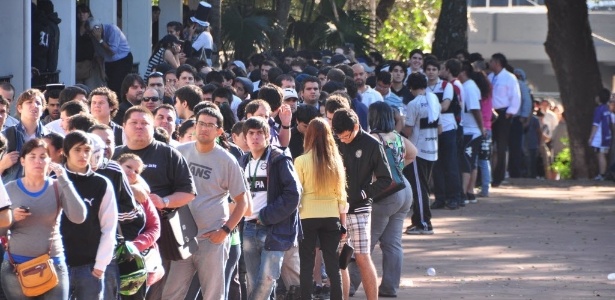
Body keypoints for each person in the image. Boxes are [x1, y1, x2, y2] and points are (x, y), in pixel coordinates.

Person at [164, 108, 249, 299]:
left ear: (219, 131)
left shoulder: (227, 161)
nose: (204, 128)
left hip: (212, 239)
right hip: (182, 238)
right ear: (194, 126)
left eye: (210, 125)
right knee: (171, 293)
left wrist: (225, 231)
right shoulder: (179, 152)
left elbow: (242, 202)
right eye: (201, 123)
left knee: (213, 295)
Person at [113, 106, 196, 300]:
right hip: (118, 238)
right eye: (134, 123)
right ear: (124, 126)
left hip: (160, 235)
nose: (139, 127)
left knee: (155, 294)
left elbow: (189, 193)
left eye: (145, 123)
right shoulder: (114, 156)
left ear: (153, 127)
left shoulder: (168, 154)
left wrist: (164, 201)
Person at [1, 139, 87, 299]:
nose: (38, 161)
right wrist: (12, 218)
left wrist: (64, 179)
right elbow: (1, 230)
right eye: (32, 156)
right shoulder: (9, 189)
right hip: (16, 266)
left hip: (52, 263)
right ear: (22, 161)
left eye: (43, 156)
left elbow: (79, 217)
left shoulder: (58, 186)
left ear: (50, 161)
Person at [237, 117, 302, 300]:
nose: (255, 137)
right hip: (248, 227)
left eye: (259, 133)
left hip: (274, 228)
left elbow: (294, 194)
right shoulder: (242, 162)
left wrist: (266, 216)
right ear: (245, 137)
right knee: (253, 281)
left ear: (267, 136)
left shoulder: (278, 159)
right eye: (251, 133)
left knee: (266, 280)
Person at [331, 108, 392, 300]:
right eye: (339, 137)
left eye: (346, 136)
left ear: (356, 127)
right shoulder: (335, 142)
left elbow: (385, 179)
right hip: (336, 208)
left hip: (360, 209)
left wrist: (363, 194)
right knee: (339, 260)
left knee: (362, 257)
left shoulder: (372, 144)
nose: (343, 140)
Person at [356, 102, 416, 298]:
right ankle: (390, 288)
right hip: (403, 189)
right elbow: (413, 152)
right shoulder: (397, 136)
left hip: (385, 194)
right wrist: (397, 171)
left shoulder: (373, 138)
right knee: (392, 243)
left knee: (364, 243)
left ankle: (347, 286)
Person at [60, 131, 118, 300]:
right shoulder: (54, 180)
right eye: (77, 150)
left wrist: (100, 265)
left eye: (87, 150)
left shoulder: (101, 183)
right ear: (65, 152)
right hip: (58, 264)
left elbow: (109, 226)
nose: (83, 155)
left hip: (90, 266)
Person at [294, 117, 347, 300]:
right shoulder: (336, 162)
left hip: (307, 216)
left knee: (306, 265)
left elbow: (297, 193)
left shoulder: (300, 161)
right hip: (332, 216)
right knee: (333, 265)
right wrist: (343, 224)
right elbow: (342, 195)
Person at [116, 153, 163, 297]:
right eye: (128, 167)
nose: (132, 172)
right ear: (117, 166)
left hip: (133, 262)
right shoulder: (103, 189)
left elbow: (155, 228)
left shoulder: (142, 196)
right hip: (106, 258)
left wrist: (133, 247)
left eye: (136, 171)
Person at [402, 73, 441, 235]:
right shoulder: (434, 100)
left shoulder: (414, 103)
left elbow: (408, 130)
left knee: (419, 188)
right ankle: (418, 220)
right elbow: (440, 127)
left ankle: (424, 223)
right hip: (432, 148)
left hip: (417, 151)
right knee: (422, 187)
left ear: (410, 87)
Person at [1, 89, 51, 182]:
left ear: (43, 109)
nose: (34, 106)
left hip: (41, 191)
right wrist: (2, 165)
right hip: (12, 192)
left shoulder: (50, 137)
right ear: (20, 108)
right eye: (29, 102)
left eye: (38, 103)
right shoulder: (6, 135)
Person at [488, 53, 521, 187]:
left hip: (503, 113)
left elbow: (515, 96)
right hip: (490, 113)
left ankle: (498, 176)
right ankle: (488, 175)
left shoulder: (509, 77)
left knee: (501, 146)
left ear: (497, 63)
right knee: (489, 145)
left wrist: (510, 112)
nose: (489, 64)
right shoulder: (490, 77)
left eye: (491, 61)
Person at [85, 17, 133, 96]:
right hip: (109, 62)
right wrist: (102, 71)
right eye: (88, 33)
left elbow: (112, 52)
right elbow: (98, 54)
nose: (90, 35)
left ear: (97, 29)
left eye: (91, 32)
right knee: (110, 87)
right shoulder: (93, 37)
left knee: (119, 85)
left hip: (122, 59)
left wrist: (100, 40)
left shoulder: (112, 30)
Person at [589, 88, 613, 180]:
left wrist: (591, 137)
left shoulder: (599, 109)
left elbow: (595, 124)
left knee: (600, 154)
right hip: (607, 134)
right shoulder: (607, 109)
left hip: (601, 135)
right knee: (602, 154)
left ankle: (602, 174)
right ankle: (602, 173)